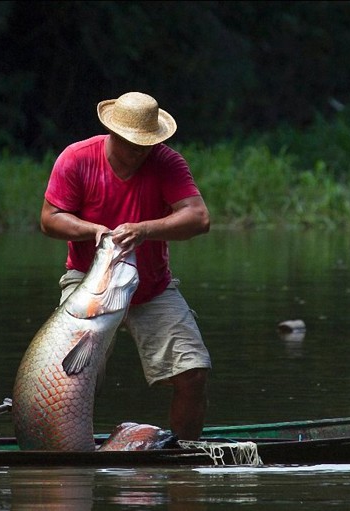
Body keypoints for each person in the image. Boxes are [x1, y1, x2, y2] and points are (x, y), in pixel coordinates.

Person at [39, 91, 212, 440]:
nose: (141, 151)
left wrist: (145, 228)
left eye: (147, 144)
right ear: (113, 134)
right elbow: (50, 219)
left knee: (193, 372)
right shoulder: (77, 158)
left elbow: (199, 217)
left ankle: (186, 458)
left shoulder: (167, 162)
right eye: (133, 143)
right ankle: (63, 449)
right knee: (65, 378)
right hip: (88, 283)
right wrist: (94, 231)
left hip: (151, 286)